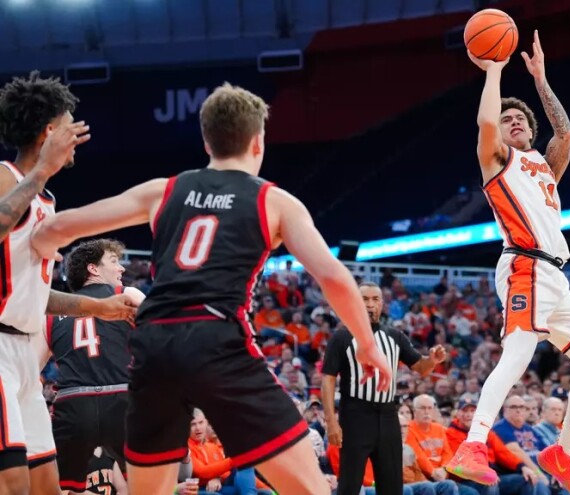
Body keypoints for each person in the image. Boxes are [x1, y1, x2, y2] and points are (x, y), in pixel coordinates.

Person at [31, 82, 392, 495]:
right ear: (258, 142)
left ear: (206, 142)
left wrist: (38, 250)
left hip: (155, 346)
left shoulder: (163, 190)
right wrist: (366, 343)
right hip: (218, 339)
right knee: (311, 490)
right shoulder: (276, 201)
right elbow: (331, 276)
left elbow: (57, 229)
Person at [447, 31, 570, 494]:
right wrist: (494, 70)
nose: (512, 122)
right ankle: (472, 446)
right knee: (519, 353)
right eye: (507, 118)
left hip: (556, 276)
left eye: (520, 118)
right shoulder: (497, 159)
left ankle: (563, 451)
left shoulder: (545, 165)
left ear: (530, 130)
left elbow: (566, 132)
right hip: (524, 266)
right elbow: (486, 125)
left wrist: (540, 78)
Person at [0, 71, 138, 495]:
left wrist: (100, 307)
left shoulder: (45, 201)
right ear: (48, 131)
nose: (76, 136)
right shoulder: (6, 177)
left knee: (48, 486)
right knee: (14, 485)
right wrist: (41, 170)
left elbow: (34, 295)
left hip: (24, 355)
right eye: (68, 126)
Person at [30, 239, 145, 495]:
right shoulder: (127, 296)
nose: (122, 269)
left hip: (73, 404)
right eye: (114, 262)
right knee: (150, 484)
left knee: (61, 490)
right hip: (122, 399)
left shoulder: (49, 316)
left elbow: (29, 373)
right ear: (93, 269)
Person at [322, 282, 447, 495]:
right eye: (365, 299)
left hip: (388, 414)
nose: (370, 304)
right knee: (349, 485)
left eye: (375, 299)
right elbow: (328, 380)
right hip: (354, 414)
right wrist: (332, 422)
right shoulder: (342, 337)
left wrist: (432, 360)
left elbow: (421, 368)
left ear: (382, 304)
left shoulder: (395, 336)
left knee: (392, 485)